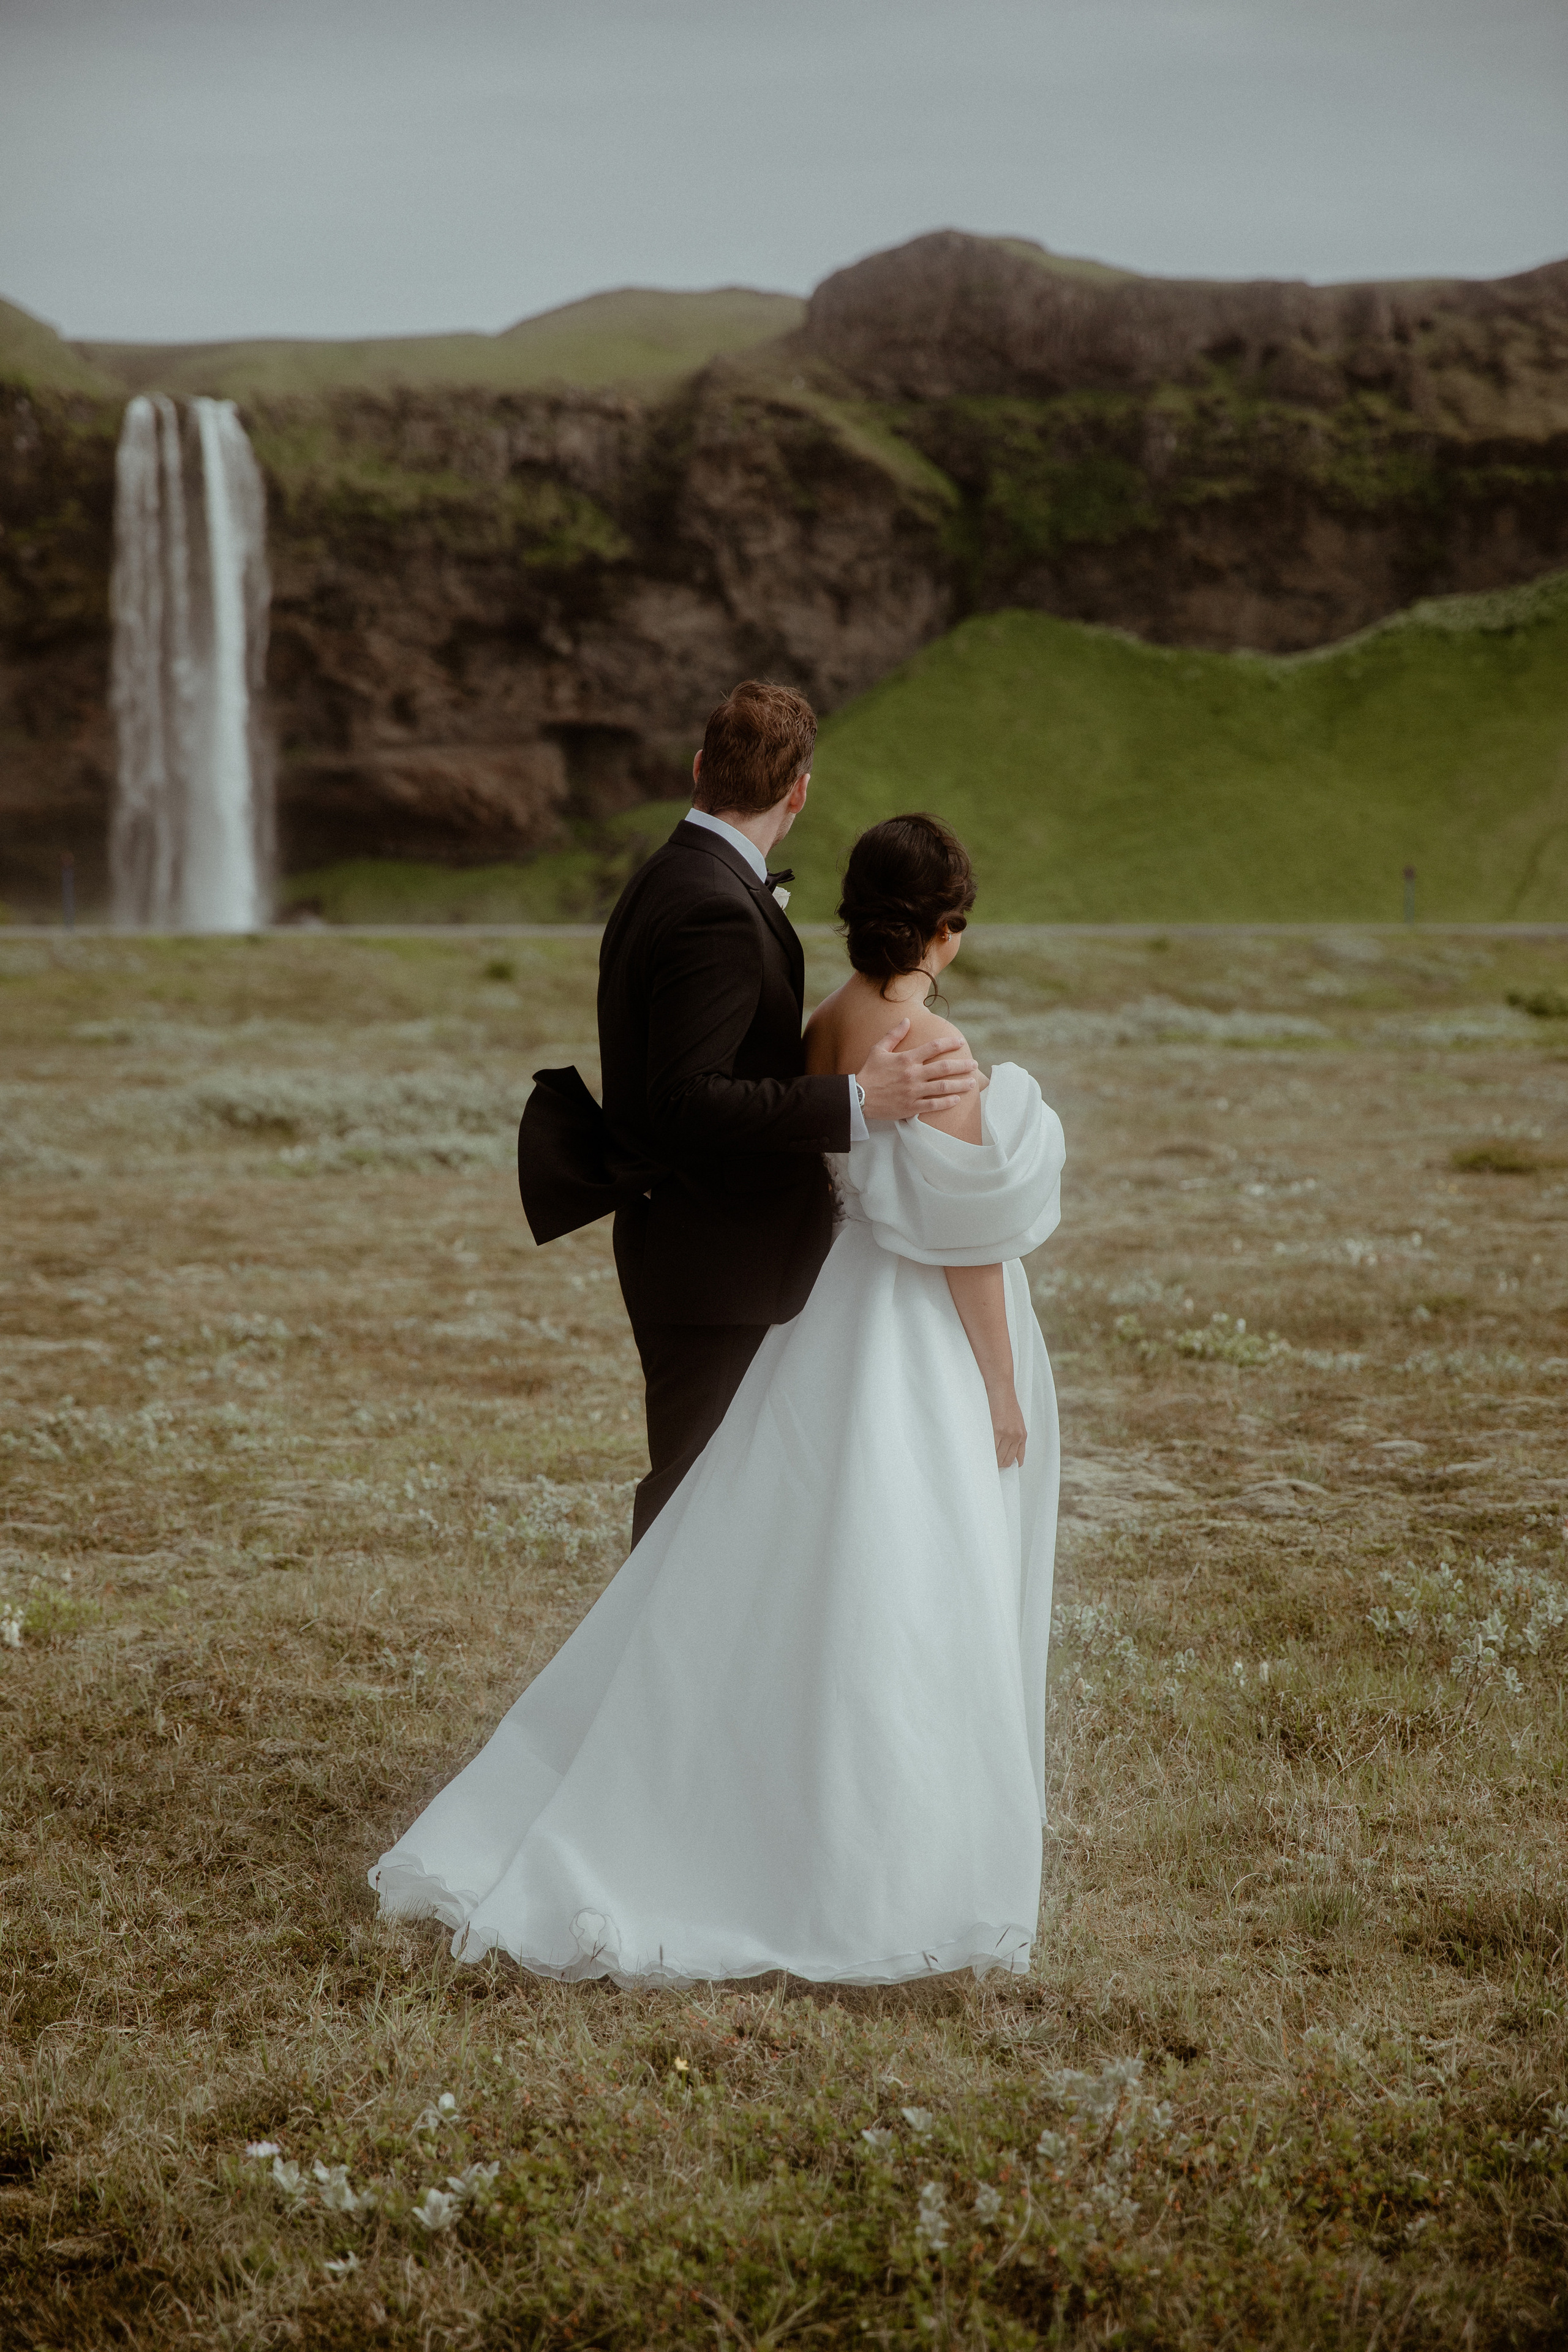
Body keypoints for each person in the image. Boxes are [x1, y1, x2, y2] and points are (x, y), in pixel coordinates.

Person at [371, 807, 1066, 1988]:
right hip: (914, 1342)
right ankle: (888, 1861)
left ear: (856, 916)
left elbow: (818, 1155)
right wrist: (1002, 1390)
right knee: (910, 1586)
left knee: (802, 1571)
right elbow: (967, 1252)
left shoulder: (830, 1025)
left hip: (825, 1318)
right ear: (947, 933)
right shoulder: (938, 1056)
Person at [518, 679, 982, 1545]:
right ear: (799, 792)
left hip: (697, 1247)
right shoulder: (712, 906)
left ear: (700, 770)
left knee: (721, 1500)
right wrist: (859, 1099)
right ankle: (654, 1679)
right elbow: (686, 1100)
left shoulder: (670, 874)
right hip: (714, 1257)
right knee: (694, 1503)